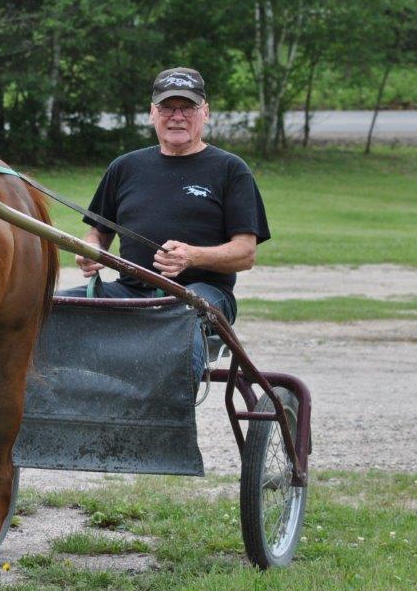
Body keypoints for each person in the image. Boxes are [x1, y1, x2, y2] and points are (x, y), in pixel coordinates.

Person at [59, 67, 270, 369]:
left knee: (182, 315)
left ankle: (169, 414)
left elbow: (245, 253)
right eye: (168, 107)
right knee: (53, 307)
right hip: (130, 290)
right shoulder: (125, 167)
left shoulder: (230, 170)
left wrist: (192, 257)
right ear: (152, 113)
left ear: (205, 112)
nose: (177, 116)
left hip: (203, 294)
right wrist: (91, 250)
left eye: (187, 107)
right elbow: (98, 233)